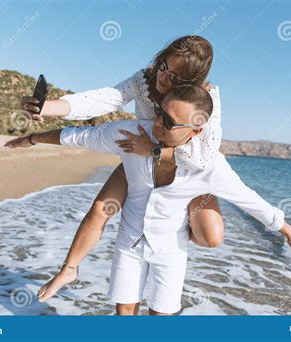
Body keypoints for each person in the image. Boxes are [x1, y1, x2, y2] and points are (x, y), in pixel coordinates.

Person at [5, 85, 291, 315]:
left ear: (196, 131)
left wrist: (290, 233)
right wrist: (31, 138)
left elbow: (251, 201)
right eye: (160, 113)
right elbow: (77, 136)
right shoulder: (131, 134)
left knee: (161, 317)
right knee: (124, 313)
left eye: (170, 122)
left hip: (171, 249)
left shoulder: (209, 166)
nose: (158, 123)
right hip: (129, 241)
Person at [21, 35, 226, 255]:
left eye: (175, 77)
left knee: (211, 237)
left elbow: (204, 157)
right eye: (164, 65)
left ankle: (171, 228)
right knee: (100, 209)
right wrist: (47, 107)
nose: (163, 77)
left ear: (189, 83)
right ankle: (68, 270)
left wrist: (154, 149)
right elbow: (106, 98)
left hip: (183, 170)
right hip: (140, 158)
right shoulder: (144, 79)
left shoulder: (206, 97)